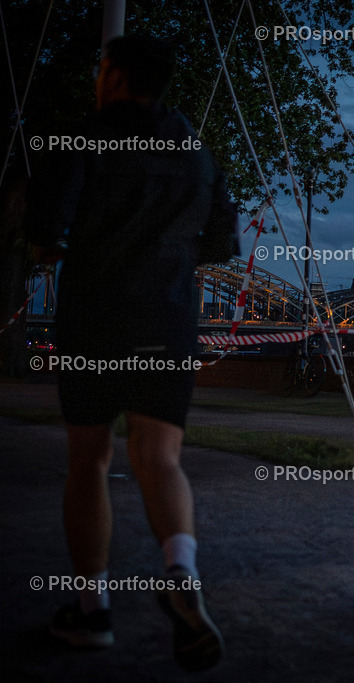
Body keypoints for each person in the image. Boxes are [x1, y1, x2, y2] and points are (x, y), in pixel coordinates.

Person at [25, 34, 238, 671]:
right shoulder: (197, 152)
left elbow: (44, 232)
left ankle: (92, 612)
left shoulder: (83, 139)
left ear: (114, 78)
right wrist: (169, 257)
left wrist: (61, 248)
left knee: (90, 459)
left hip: (95, 316)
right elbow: (223, 240)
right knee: (161, 458)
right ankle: (180, 569)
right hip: (168, 319)